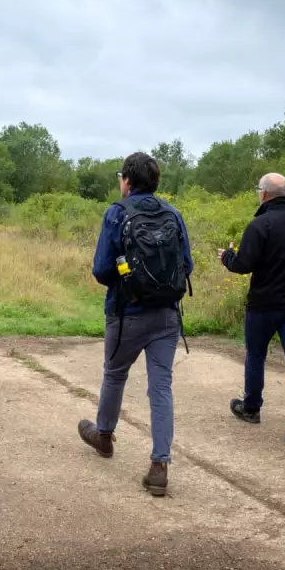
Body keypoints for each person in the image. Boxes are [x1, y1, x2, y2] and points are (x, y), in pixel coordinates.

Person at [77, 152, 193, 497]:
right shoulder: (173, 213)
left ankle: (104, 435)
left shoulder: (116, 213)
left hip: (126, 313)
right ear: (156, 182)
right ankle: (160, 465)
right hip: (168, 315)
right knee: (161, 388)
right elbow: (186, 264)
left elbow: (100, 269)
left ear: (127, 180)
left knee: (115, 374)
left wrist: (128, 279)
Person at [218, 173, 285, 444]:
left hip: (263, 304)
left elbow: (243, 265)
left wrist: (227, 257)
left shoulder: (260, 224)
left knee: (255, 357)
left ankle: (251, 409)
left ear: (264, 194)